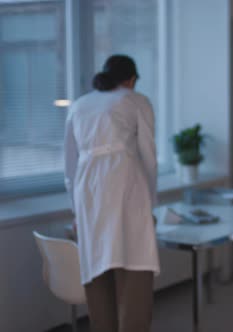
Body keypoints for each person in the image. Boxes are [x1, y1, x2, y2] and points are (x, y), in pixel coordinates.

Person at [64, 55, 159, 332]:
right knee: (136, 268)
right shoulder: (135, 100)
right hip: (127, 185)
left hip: (87, 191)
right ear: (131, 80)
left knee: (96, 271)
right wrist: (150, 204)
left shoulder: (80, 105)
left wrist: (75, 210)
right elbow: (149, 157)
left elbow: (69, 165)